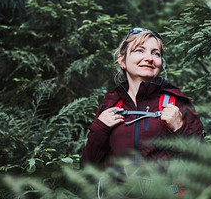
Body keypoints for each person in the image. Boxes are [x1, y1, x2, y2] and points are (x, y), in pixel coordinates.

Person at [81, 27, 204, 167]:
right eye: (139, 50)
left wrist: (180, 128)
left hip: (165, 189)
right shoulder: (110, 106)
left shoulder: (177, 104)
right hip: (118, 189)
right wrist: (100, 129)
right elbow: (87, 170)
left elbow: (204, 166)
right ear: (122, 61)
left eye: (156, 54)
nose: (149, 58)